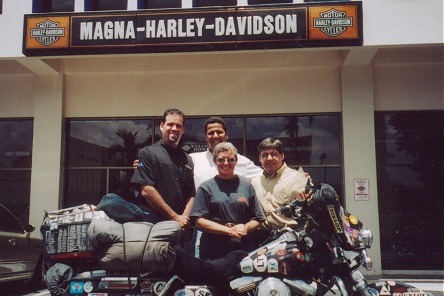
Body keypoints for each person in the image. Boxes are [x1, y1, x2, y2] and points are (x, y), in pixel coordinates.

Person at [189, 142, 265, 260]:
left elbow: (258, 218)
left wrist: (245, 228)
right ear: (214, 161)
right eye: (221, 160)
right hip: (213, 247)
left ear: (236, 161)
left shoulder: (247, 187)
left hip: (243, 246)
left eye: (230, 160)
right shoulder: (205, 187)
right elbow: (199, 220)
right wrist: (229, 231)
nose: (226, 163)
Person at [131, 108, 195, 230]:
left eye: (178, 125)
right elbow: (147, 191)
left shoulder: (187, 159)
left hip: (180, 225)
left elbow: (191, 195)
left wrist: (184, 218)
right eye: (170, 124)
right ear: (161, 126)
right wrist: (175, 218)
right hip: (153, 222)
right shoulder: (147, 153)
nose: (174, 129)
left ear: (183, 129)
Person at [250, 138, 309, 243]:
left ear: (282, 156)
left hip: (291, 238)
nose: (269, 158)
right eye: (264, 155)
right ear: (259, 158)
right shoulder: (255, 182)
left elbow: (307, 209)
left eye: (274, 154)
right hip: (262, 240)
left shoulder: (297, 178)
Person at [190, 117, 262, 188]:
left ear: (226, 135)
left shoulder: (242, 161)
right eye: (211, 133)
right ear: (206, 137)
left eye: (219, 132)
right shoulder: (193, 160)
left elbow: (264, 176)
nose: (215, 136)